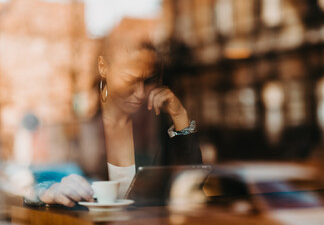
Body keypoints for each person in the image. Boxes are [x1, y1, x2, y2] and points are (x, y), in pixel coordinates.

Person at [36, 42, 202, 207]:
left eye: (147, 81)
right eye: (130, 79)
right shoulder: (80, 128)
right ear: (103, 67)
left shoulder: (155, 127)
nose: (140, 93)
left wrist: (180, 117)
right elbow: (30, 185)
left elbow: (192, 182)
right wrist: (50, 190)